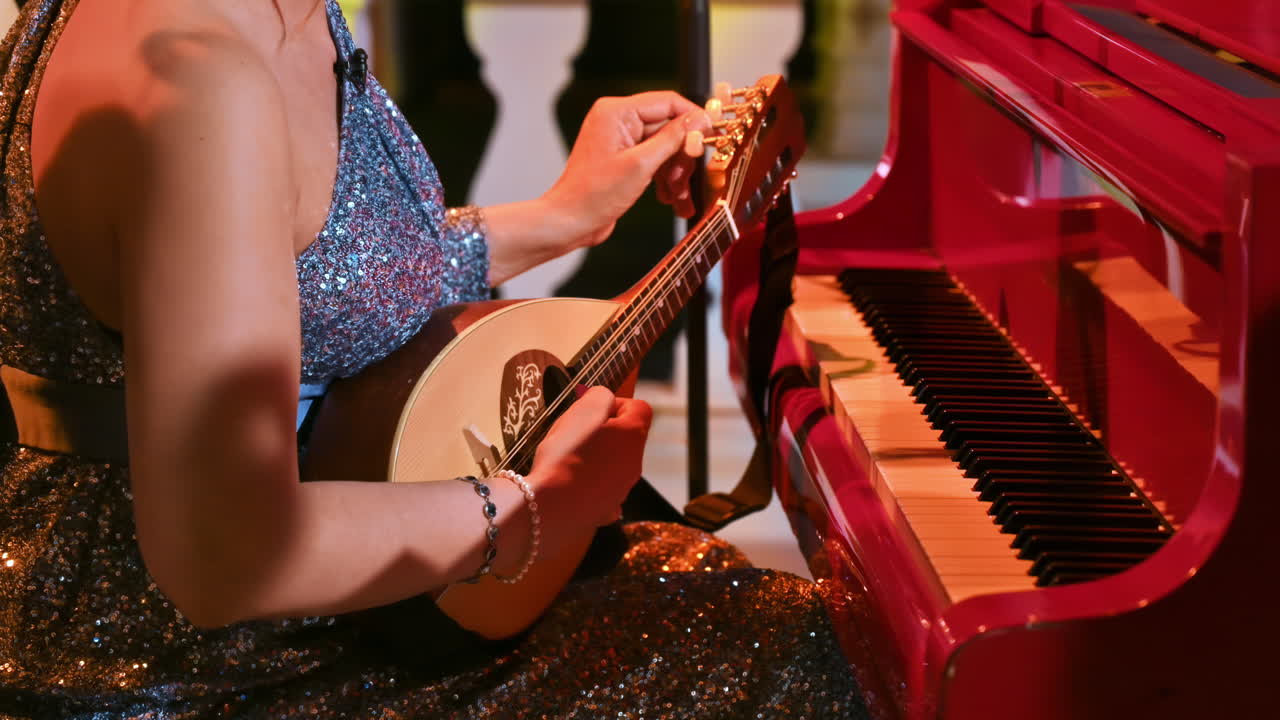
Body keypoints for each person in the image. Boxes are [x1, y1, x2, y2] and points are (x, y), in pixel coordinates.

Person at [0, 0, 868, 717]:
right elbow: (227, 555)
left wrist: (565, 216)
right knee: (796, 655)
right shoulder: (198, 78)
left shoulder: (281, 15)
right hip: (178, 657)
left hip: (304, 575)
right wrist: (529, 504)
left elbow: (307, 274)